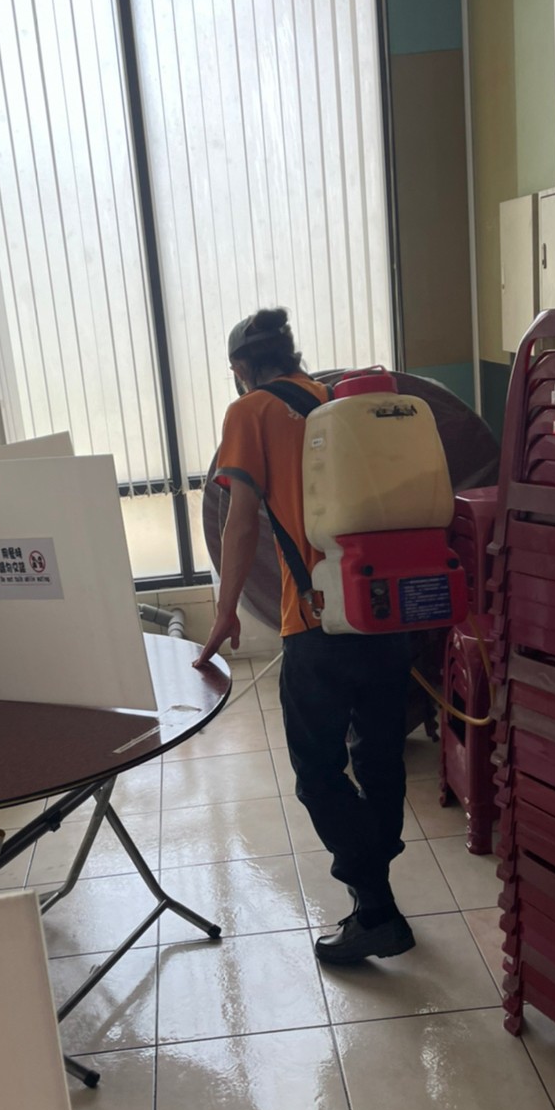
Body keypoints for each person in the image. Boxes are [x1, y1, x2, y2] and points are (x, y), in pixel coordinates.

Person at [195, 307, 415, 964]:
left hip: (318, 622)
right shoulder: (338, 401)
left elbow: (240, 522)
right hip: (385, 613)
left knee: (317, 771)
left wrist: (226, 610)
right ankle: (377, 890)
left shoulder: (251, 411)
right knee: (379, 755)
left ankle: (375, 909)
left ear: (241, 367)